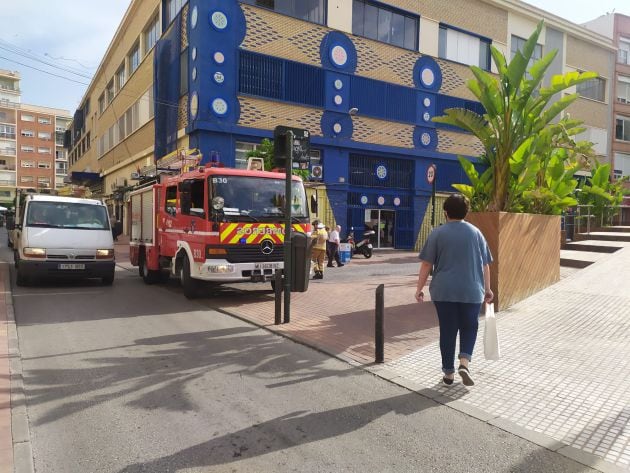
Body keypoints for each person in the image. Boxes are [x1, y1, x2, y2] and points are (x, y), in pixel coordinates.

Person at [415, 194, 493, 387]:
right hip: (472, 290)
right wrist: (488, 289)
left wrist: (419, 288)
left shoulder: (438, 233)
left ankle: (448, 373)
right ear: (466, 212)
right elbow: (485, 265)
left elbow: (426, 264)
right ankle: (464, 363)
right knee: (470, 326)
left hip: (444, 290)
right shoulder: (477, 233)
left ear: (446, 212)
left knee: (448, 330)